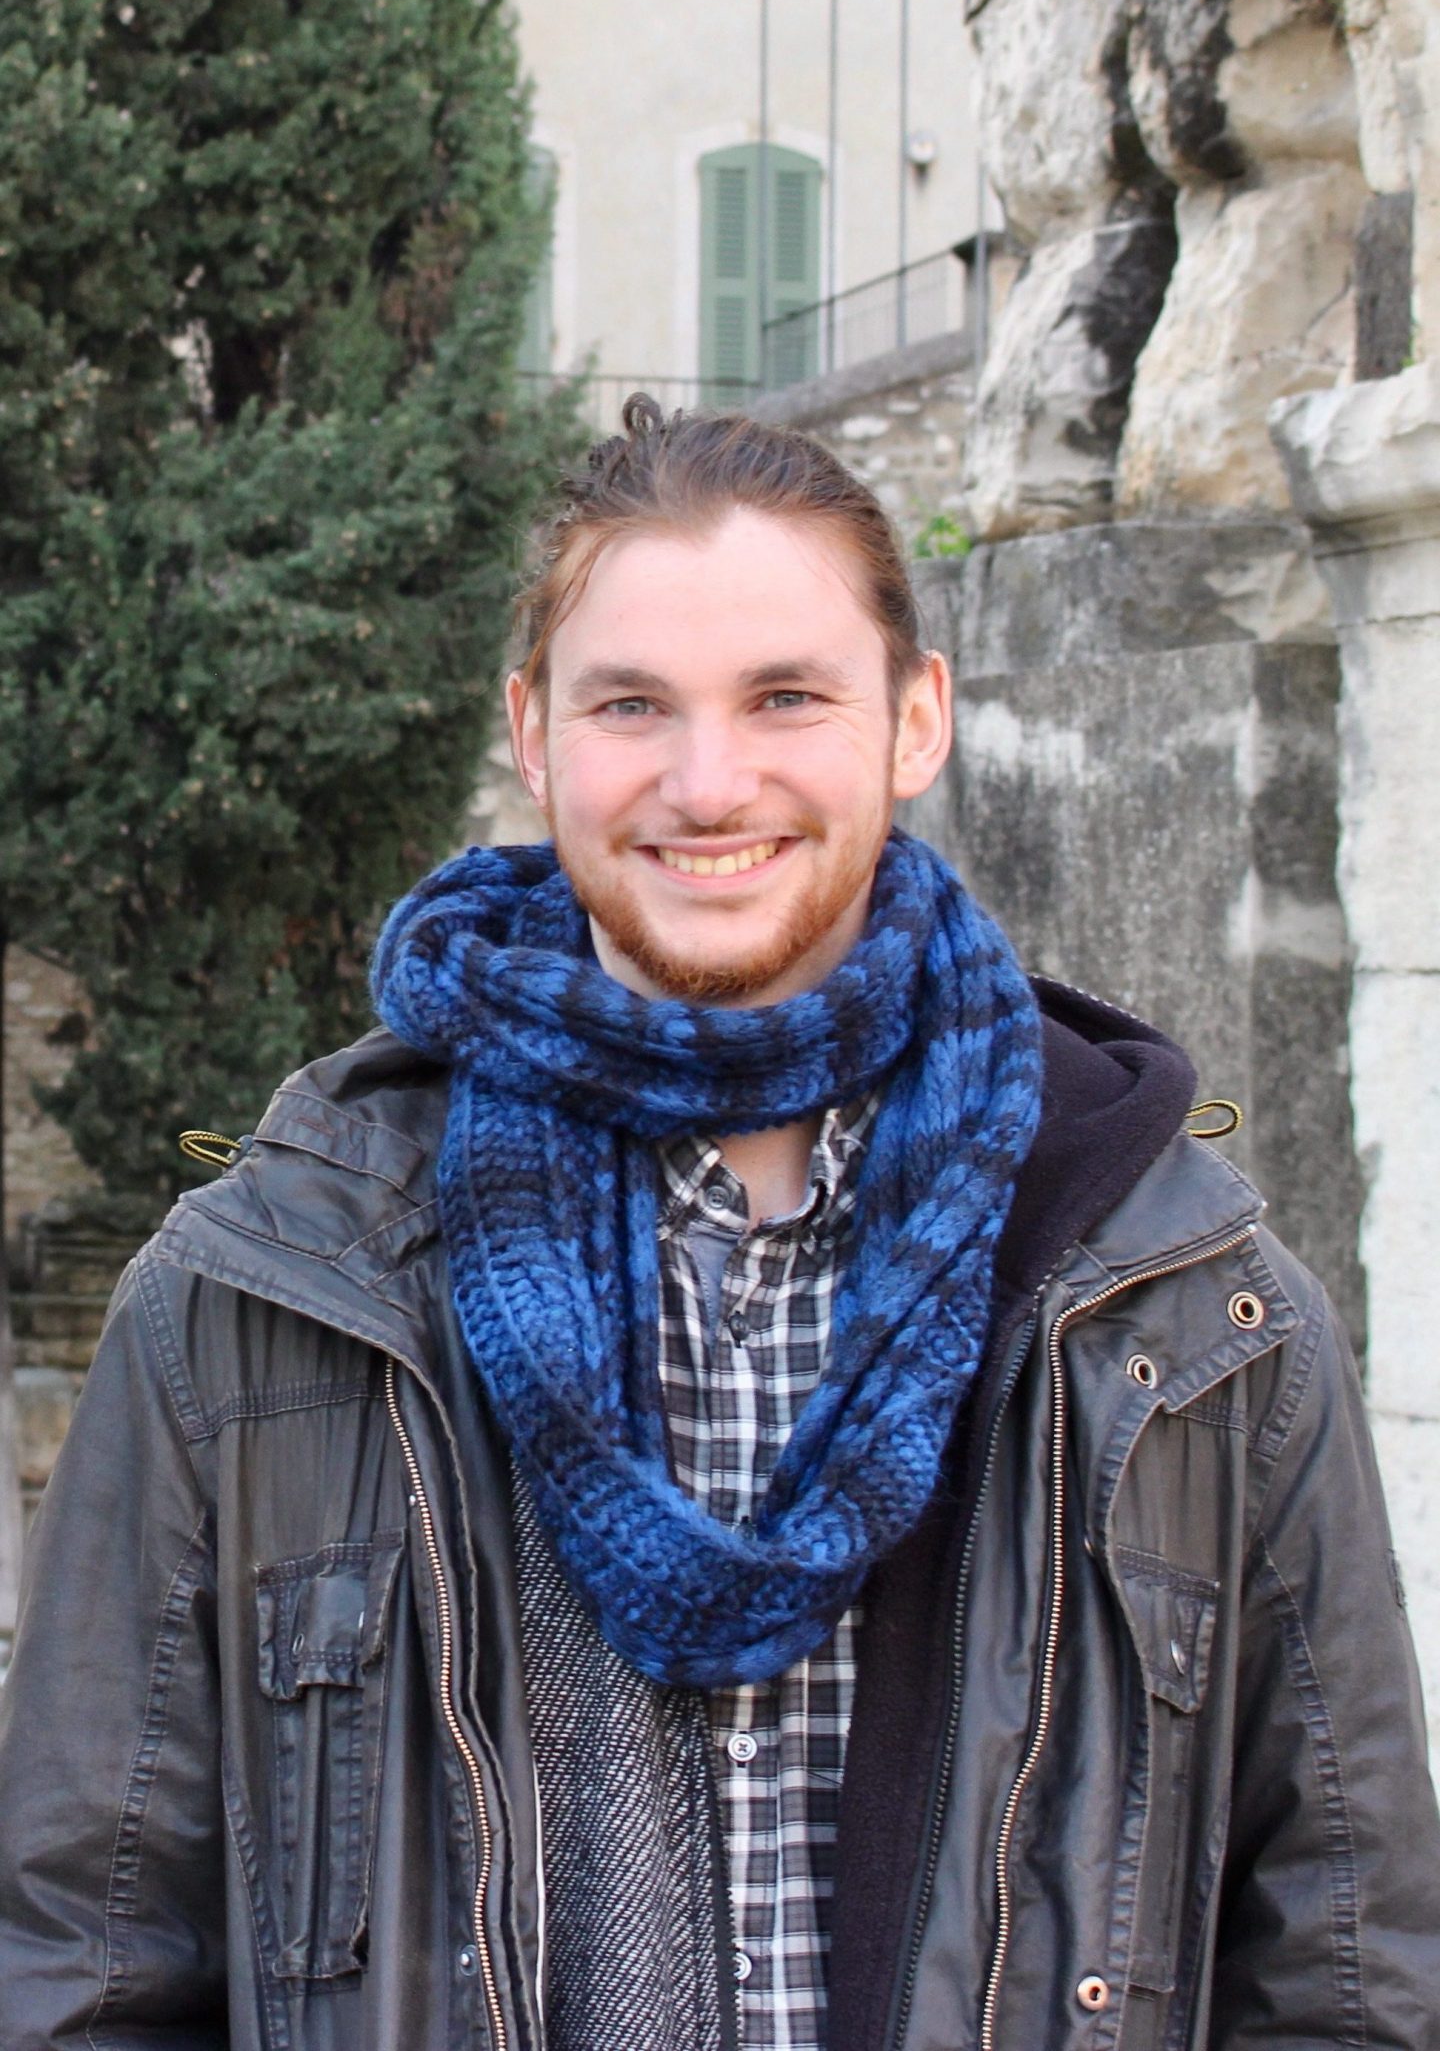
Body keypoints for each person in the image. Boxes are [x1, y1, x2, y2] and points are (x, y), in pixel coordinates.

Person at [0, 395, 1436, 2051]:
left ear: (916, 721)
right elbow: (80, 1967)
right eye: (632, 704)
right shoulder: (262, 1303)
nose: (708, 782)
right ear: (535, 733)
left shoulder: (1193, 1329)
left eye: (786, 697)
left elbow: (1348, 1974)